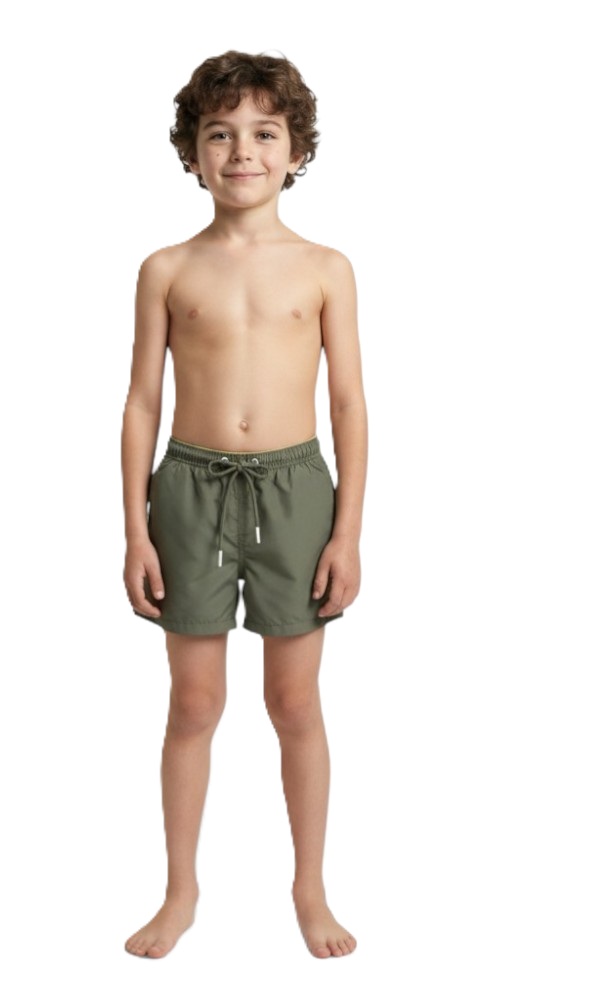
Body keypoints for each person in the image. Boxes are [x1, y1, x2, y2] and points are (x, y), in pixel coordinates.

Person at [121, 50, 367, 960]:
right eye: (220, 135)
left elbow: (349, 404)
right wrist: (136, 529)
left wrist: (347, 532)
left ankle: (310, 888)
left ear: (295, 151)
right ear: (192, 153)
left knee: (294, 702)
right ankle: (180, 891)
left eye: (265, 134)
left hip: (296, 489)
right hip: (189, 489)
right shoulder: (166, 268)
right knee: (193, 702)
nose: (242, 152)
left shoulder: (326, 268)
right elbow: (141, 402)